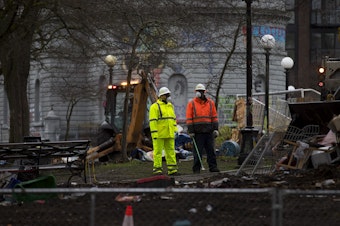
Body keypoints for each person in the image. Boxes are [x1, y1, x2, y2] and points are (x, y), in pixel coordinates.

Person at [186, 83, 220, 173]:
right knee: (197, 152)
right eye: (198, 91)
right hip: (198, 133)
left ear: (204, 92)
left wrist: (215, 129)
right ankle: (196, 169)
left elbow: (214, 117)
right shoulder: (192, 104)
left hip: (209, 131)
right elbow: (189, 119)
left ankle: (213, 167)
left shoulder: (211, 103)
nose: (199, 93)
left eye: (200, 91)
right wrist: (191, 131)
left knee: (211, 151)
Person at [149, 87, 179, 176]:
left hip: (169, 133)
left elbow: (173, 120)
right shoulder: (155, 107)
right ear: (161, 96)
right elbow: (153, 121)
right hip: (159, 134)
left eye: (168, 95)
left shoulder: (170, 106)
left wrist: (175, 130)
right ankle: (157, 170)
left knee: (171, 151)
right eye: (166, 95)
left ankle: (172, 170)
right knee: (158, 152)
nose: (168, 96)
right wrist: (154, 133)